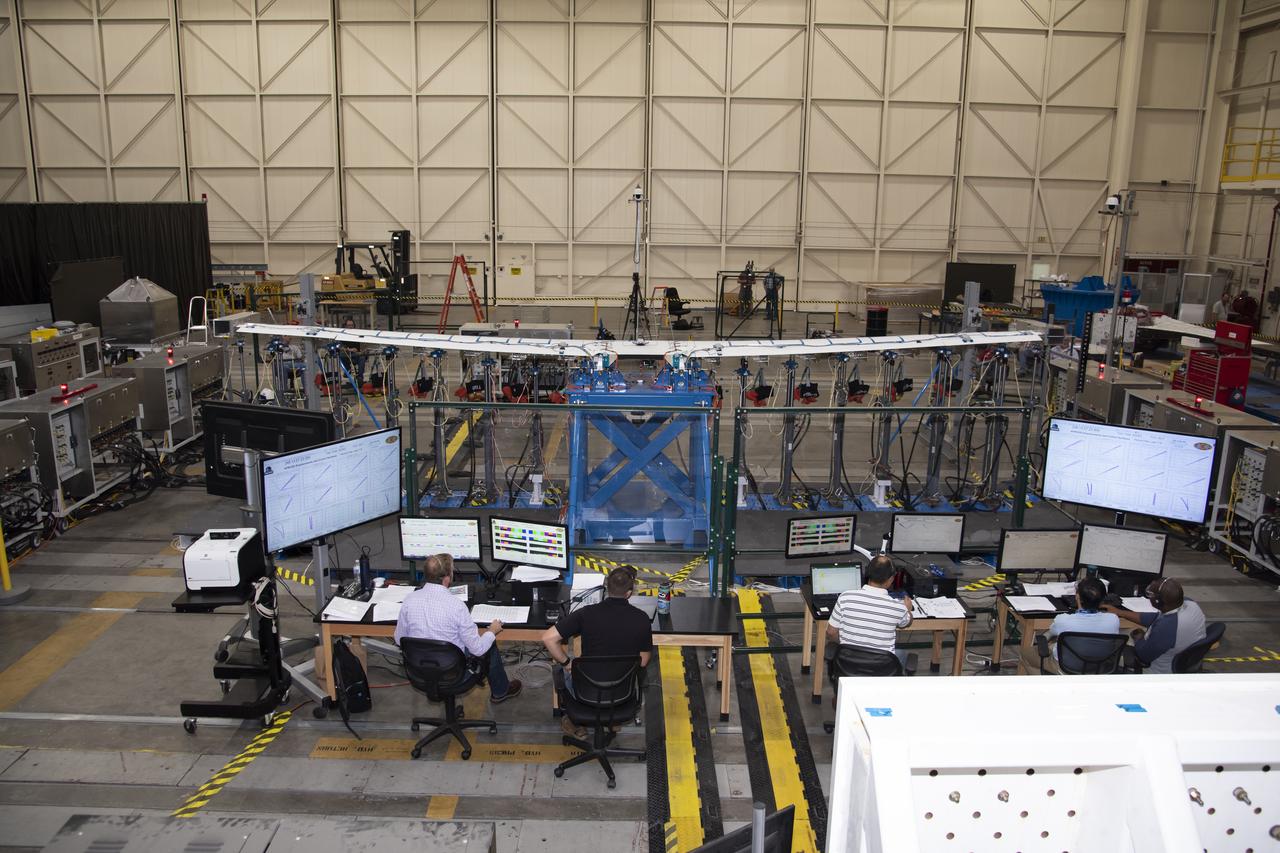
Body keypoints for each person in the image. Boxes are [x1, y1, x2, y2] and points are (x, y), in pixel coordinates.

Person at [394, 554, 522, 703]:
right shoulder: (456, 606)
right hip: (454, 674)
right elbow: (478, 650)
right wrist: (492, 631)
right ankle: (501, 691)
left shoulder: (410, 600)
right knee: (488, 642)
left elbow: (399, 639)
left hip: (419, 672)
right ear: (447, 578)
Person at [542, 567, 653, 737]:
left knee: (563, 668)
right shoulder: (642, 618)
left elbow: (548, 638)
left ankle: (575, 722)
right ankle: (612, 720)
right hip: (622, 693)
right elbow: (643, 661)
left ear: (607, 588)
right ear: (629, 593)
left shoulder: (586, 614)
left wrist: (567, 663)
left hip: (586, 691)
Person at [1102, 577, 1206, 674]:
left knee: (1113, 643)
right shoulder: (1189, 604)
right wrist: (1120, 612)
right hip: (1182, 659)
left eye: (1150, 595)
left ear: (1158, 601)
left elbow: (1144, 656)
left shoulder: (1166, 627)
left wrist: (1139, 638)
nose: (1149, 597)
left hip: (1158, 671)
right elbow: (1155, 617)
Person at [1020, 577, 1120, 674]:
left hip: (1066, 667)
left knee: (1025, 654)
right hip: (1098, 667)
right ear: (1102, 601)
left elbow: (1048, 635)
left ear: (1077, 597)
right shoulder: (1113, 620)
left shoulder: (1063, 620)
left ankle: (1048, 686)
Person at [826, 555, 912, 666]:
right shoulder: (898, 607)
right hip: (881, 668)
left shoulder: (845, 597)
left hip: (848, 665)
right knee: (902, 655)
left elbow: (831, 632)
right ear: (891, 579)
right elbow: (906, 623)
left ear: (867, 573)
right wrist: (908, 609)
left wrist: (843, 645)